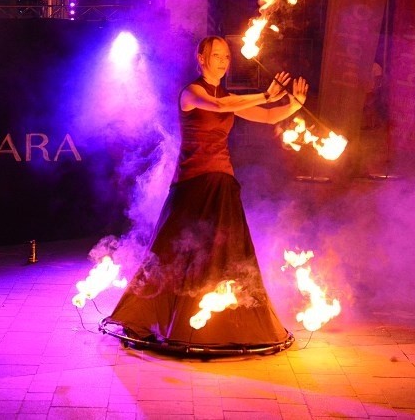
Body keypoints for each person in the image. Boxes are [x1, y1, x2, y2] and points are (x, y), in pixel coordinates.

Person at [103, 36, 309, 350]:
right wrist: (265, 94)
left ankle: (226, 325)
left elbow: (267, 116)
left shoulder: (230, 97)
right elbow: (220, 105)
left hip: (222, 181)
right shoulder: (192, 93)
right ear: (201, 57)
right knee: (175, 253)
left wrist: (293, 104)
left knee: (228, 254)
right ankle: (157, 319)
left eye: (227, 56)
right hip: (193, 183)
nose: (224, 61)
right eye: (217, 55)